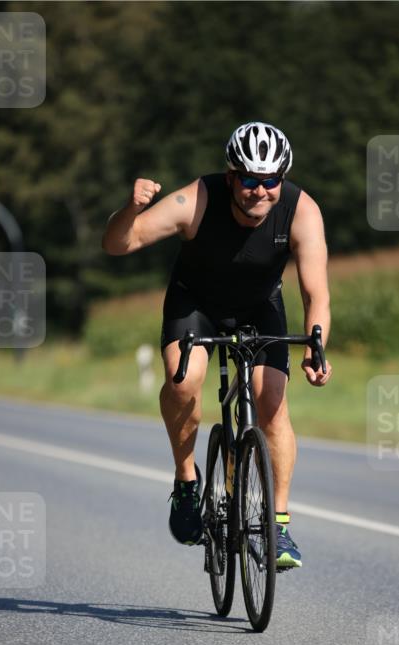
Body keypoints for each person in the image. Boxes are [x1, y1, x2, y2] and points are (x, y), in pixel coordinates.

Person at [102, 122, 332, 569]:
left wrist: (315, 345)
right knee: (183, 382)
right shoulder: (196, 201)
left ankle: (277, 526)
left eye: (270, 181)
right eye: (248, 179)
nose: (259, 191)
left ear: (281, 179)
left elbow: (315, 292)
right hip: (197, 303)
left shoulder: (302, 211)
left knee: (272, 405)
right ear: (231, 177)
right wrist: (129, 209)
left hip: (259, 305)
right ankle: (187, 482)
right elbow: (118, 243)